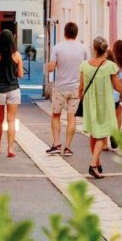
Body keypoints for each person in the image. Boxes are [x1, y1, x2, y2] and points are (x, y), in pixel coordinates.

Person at [78, 36, 122, 179]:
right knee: (102, 135)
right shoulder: (110, 66)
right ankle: (92, 165)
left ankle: (97, 164)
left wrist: (82, 100)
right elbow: (118, 87)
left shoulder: (84, 65)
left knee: (93, 134)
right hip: (105, 103)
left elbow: (81, 88)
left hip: (90, 103)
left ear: (94, 48)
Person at [46, 21, 87, 155]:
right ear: (76, 34)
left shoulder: (58, 47)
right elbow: (87, 68)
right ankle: (68, 147)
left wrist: (52, 65)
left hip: (60, 87)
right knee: (72, 118)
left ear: (64, 33)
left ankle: (57, 144)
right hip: (76, 88)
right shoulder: (83, 48)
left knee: (56, 115)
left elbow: (51, 68)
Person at [0, 29, 23, 157]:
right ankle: (10, 149)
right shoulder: (17, 55)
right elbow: (20, 74)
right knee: (11, 120)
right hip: (13, 89)